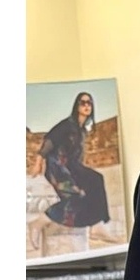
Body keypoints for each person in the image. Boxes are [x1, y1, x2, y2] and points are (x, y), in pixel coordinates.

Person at [40, 92, 110, 229]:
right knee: (77, 196)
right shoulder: (67, 125)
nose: (86, 106)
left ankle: (98, 225)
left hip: (73, 167)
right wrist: (39, 160)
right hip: (57, 168)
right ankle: (40, 221)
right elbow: (50, 139)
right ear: (76, 106)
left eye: (89, 103)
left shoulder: (81, 130)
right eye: (82, 103)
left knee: (96, 180)